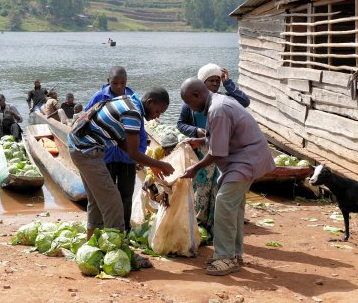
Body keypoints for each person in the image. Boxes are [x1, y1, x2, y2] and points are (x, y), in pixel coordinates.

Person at [68, 88, 174, 268]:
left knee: (96, 200)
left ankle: (91, 243)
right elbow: (133, 153)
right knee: (113, 201)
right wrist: (161, 164)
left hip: (79, 147)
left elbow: (123, 144)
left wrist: (152, 164)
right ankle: (120, 251)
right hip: (87, 152)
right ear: (149, 102)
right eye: (157, 111)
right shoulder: (133, 113)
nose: (157, 117)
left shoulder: (127, 101)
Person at [179, 78, 275, 276]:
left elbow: (217, 153)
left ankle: (225, 257)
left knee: (223, 203)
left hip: (246, 160)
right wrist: (200, 140)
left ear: (198, 95)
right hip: (243, 158)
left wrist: (195, 168)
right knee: (235, 207)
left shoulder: (218, 110)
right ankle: (235, 254)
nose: (190, 107)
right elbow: (219, 136)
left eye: (189, 102)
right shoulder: (217, 104)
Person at [177, 63, 251, 236]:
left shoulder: (223, 101)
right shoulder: (191, 102)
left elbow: (245, 102)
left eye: (218, 81)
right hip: (201, 151)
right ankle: (199, 224)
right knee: (201, 188)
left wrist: (229, 84)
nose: (215, 84)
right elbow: (180, 124)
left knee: (218, 188)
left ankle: (214, 225)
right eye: (211, 81)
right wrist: (195, 130)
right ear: (202, 83)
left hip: (220, 151)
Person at [85, 66, 148, 235]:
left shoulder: (133, 100)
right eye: (115, 83)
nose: (119, 87)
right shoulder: (99, 97)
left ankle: (124, 228)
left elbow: (140, 131)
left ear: (127, 82)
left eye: (122, 83)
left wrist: (140, 155)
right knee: (106, 194)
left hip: (127, 157)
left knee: (126, 193)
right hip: (106, 155)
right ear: (108, 81)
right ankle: (107, 228)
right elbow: (86, 119)